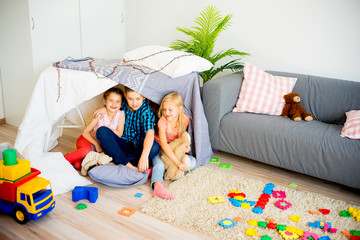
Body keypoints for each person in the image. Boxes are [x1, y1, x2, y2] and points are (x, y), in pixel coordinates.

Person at [95, 86, 160, 172]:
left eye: (138, 99)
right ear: (125, 96)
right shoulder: (124, 103)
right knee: (101, 131)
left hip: (137, 148)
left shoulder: (146, 111)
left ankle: (117, 161)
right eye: (130, 99)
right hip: (122, 144)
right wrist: (104, 108)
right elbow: (113, 106)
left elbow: (150, 132)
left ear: (144, 97)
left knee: (155, 146)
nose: (134, 103)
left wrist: (144, 156)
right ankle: (126, 163)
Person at [64, 87, 125, 170]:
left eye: (117, 101)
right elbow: (85, 132)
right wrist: (96, 144)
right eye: (111, 100)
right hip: (88, 140)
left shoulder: (120, 115)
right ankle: (62, 162)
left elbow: (119, 133)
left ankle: (72, 157)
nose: (114, 104)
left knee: (79, 166)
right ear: (105, 101)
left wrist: (105, 129)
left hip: (101, 147)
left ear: (121, 104)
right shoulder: (100, 114)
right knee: (85, 151)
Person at [152, 92, 196, 199]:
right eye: (164, 109)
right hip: (160, 150)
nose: (167, 113)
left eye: (170, 110)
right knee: (159, 165)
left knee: (193, 162)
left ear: (180, 109)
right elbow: (163, 144)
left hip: (173, 151)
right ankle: (157, 186)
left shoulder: (185, 119)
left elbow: (182, 138)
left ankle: (163, 169)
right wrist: (177, 162)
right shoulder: (163, 121)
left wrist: (181, 156)